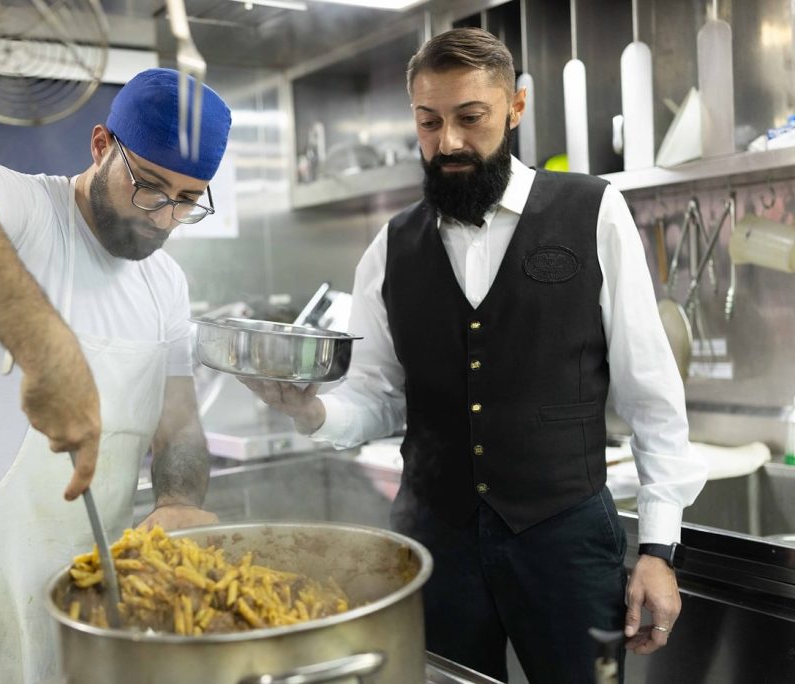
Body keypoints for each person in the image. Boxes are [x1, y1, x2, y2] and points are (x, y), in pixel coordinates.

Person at [240, 28, 708, 683]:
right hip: (435, 542)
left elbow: (650, 391)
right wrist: (314, 411)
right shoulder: (389, 247)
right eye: (429, 123)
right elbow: (377, 396)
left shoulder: (592, 212)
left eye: (470, 118)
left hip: (564, 539)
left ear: (515, 108)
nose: (449, 142)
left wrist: (660, 547)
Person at [0, 68, 231, 683]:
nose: (162, 218)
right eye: (149, 186)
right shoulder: (24, 209)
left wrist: (176, 500)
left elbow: (178, 426)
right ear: (100, 146)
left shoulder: (165, 283)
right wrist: (48, 349)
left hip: (95, 588)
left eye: (187, 200)